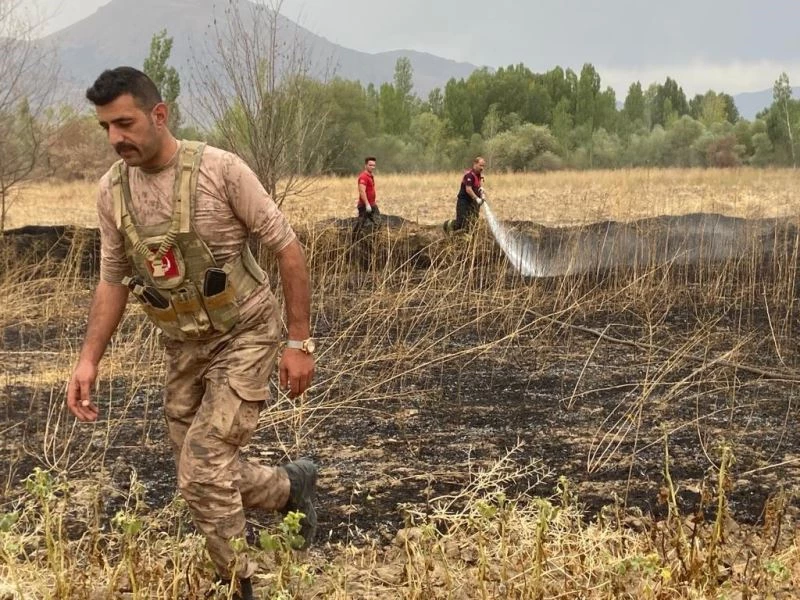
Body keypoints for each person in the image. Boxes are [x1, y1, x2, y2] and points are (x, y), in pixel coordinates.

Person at [66, 67, 317, 600]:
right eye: (106, 127)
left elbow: (288, 249)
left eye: (125, 123)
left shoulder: (220, 171)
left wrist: (299, 342)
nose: (115, 139)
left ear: (159, 115)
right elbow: (113, 279)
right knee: (199, 466)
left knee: (201, 471)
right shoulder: (112, 192)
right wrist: (88, 360)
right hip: (183, 344)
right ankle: (289, 488)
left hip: (246, 333)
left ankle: (236, 585)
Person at [443, 156, 486, 234]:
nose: (482, 168)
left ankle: (466, 238)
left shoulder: (479, 175)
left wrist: (482, 193)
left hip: (473, 203)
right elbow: (468, 189)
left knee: (473, 223)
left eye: (483, 166)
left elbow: (479, 186)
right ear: (475, 164)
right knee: (461, 223)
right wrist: (477, 198)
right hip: (464, 202)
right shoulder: (469, 175)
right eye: (480, 165)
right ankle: (447, 225)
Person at [356, 156, 379, 224]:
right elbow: (362, 191)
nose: (372, 167)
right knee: (362, 224)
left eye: (374, 165)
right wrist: (367, 204)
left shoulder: (370, 176)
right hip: (364, 205)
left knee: (377, 222)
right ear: (365, 165)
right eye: (370, 165)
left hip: (372, 204)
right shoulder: (363, 177)